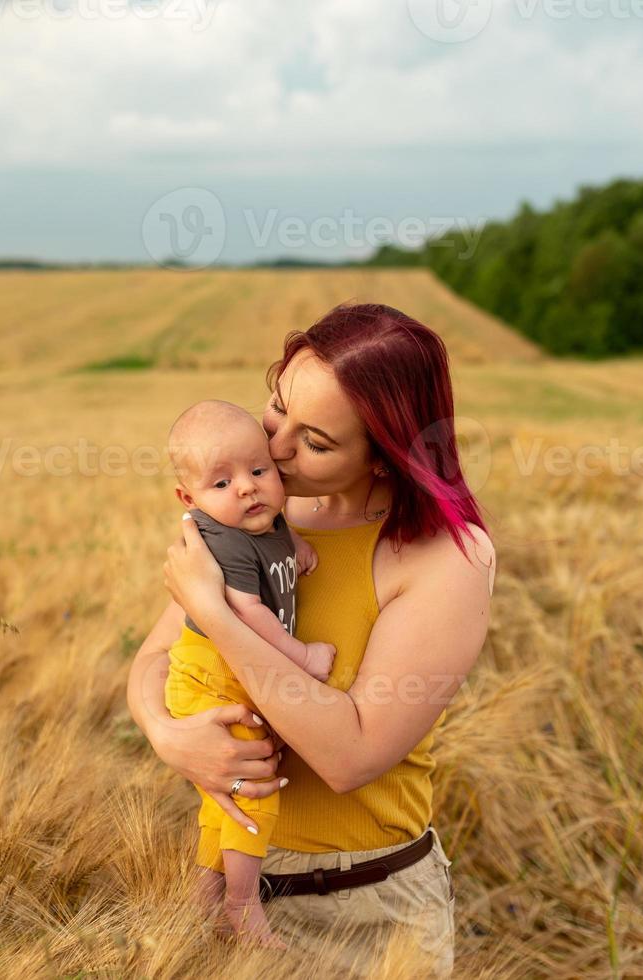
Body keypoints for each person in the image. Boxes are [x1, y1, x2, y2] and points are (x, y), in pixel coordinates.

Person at [127, 302, 496, 976]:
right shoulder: (261, 511)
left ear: (387, 457)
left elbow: (351, 753)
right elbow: (156, 658)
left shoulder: (448, 558)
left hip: (367, 918)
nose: (275, 448)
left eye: (316, 442)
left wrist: (218, 614)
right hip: (224, 890)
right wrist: (167, 734)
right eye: (277, 408)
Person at [163, 398, 335, 946]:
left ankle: (203, 893)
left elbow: (275, 534)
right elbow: (248, 612)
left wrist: (296, 544)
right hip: (212, 676)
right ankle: (241, 902)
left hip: (228, 672)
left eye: (259, 470)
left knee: (230, 793)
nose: (247, 488)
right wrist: (303, 659)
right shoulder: (226, 542)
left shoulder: (265, 520)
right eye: (222, 483)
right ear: (189, 501)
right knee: (254, 786)